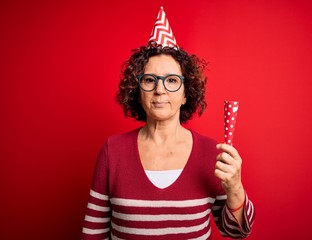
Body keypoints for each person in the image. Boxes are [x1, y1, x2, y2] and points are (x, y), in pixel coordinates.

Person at [82, 7, 255, 240]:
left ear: (186, 94)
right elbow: (93, 234)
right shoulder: (112, 151)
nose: (160, 89)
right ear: (137, 91)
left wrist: (235, 187)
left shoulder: (211, 153)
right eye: (150, 80)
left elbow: (236, 232)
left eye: (172, 80)